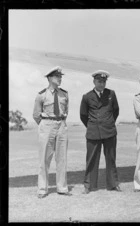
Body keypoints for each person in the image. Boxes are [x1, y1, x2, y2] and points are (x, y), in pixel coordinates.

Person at [33, 66, 71, 198]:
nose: (60, 79)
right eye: (57, 76)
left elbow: (66, 111)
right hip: (47, 125)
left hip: (61, 124)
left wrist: (59, 122)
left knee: (62, 158)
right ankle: (42, 189)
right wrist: (45, 125)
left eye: (60, 77)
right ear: (49, 78)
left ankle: (62, 187)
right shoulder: (41, 95)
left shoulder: (64, 94)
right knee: (44, 158)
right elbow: (36, 115)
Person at [80, 70, 120, 194]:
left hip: (109, 131)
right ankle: (89, 186)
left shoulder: (111, 94)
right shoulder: (86, 97)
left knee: (111, 159)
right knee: (91, 160)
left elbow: (115, 111)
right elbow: (83, 115)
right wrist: (93, 125)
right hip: (93, 133)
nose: (102, 84)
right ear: (94, 81)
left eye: (104, 81)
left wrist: (108, 122)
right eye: (99, 81)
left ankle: (113, 184)